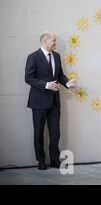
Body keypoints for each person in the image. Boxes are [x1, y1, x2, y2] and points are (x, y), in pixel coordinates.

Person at [25, 31, 77, 170]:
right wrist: (46, 85)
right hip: (38, 101)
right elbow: (28, 78)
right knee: (38, 132)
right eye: (53, 41)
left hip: (54, 101)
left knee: (55, 132)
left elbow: (60, 75)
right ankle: (41, 161)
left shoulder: (57, 56)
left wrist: (67, 83)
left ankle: (54, 160)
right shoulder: (33, 57)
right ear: (45, 41)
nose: (55, 43)